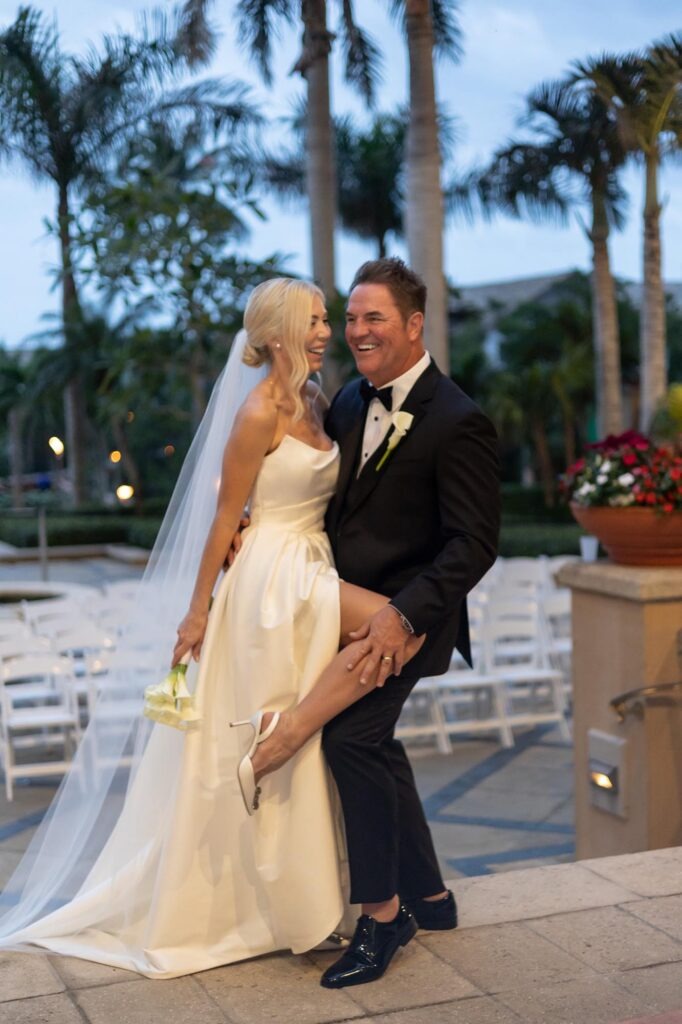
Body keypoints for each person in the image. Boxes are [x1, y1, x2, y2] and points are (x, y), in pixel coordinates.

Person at [0, 276, 424, 979]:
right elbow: (225, 517)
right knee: (397, 623)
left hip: (310, 564)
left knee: (345, 703)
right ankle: (276, 767)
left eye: (327, 320)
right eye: (315, 320)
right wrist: (197, 611)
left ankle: (294, 822)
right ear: (280, 332)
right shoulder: (257, 412)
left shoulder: (317, 399)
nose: (328, 332)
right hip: (270, 585)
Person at [221, 258, 500, 988]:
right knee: (376, 743)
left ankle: (383, 916)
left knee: (351, 738)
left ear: (414, 324)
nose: (356, 331)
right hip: (332, 607)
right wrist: (248, 524)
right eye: (349, 318)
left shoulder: (459, 420)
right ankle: (430, 896)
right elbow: (299, 484)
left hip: (409, 619)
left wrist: (402, 617)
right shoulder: (345, 399)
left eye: (374, 317)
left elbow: (473, 545)